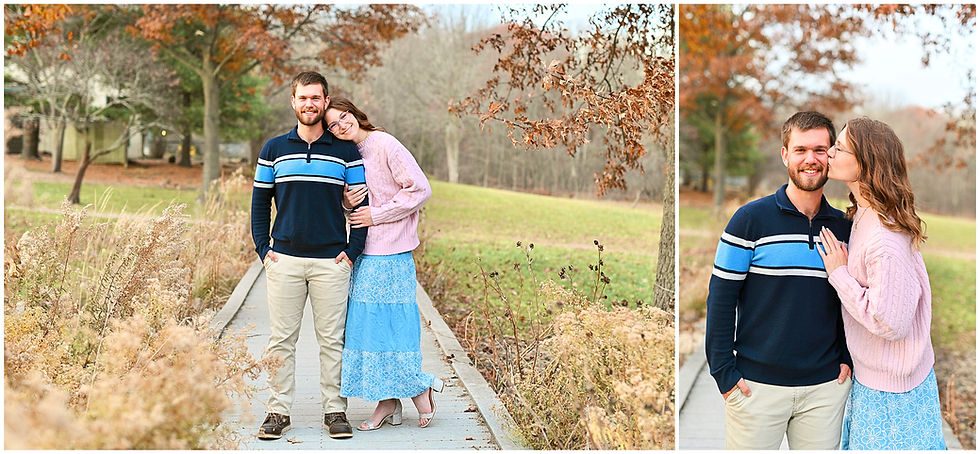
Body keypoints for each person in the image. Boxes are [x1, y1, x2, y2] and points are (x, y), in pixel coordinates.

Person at [704, 111, 853, 449]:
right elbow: (721, 300)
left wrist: (846, 355)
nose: (810, 160)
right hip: (756, 388)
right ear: (785, 154)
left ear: (831, 155)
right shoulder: (748, 221)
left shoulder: (846, 227)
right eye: (800, 150)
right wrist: (724, 373)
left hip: (825, 389)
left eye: (820, 150)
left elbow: (851, 299)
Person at [250, 71, 368, 440]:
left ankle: (335, 410)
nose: (309, 104)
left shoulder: (347, 152)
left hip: (332, 262)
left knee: (332, 340)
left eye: (316, 98)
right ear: (293, 102)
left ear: (326, 101)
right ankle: (277, 410)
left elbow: (362, 204)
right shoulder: (273, 149)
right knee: (281, 340)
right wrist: (264, 250)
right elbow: (258, 205)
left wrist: (352, 251)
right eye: (303, 98)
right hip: (283, 260)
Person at [817, 117, 944, 449]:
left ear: (865, 163)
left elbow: (891, 322)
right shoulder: (864, 214)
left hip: (894, 394)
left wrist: (839, 275)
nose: (829, 152)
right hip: (875, 381)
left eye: (839, 148)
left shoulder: (884, 238)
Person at [322, 97, 444, 431]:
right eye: (332, 124)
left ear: (355, 114)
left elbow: (419, 189)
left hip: (393, 253)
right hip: (366, 251)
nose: (340, 125)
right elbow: (359, 206)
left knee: (392, 327)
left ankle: (418, 388)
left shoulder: (385, 144)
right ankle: (388, 400)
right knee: (368, 328)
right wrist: (349, 205)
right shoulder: (350, 155)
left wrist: (378, 214)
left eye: (343, 117)